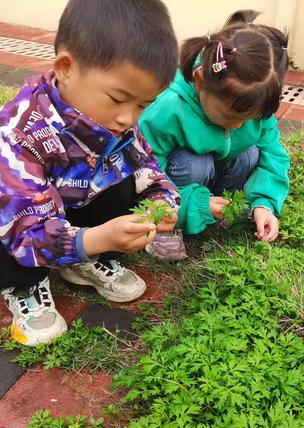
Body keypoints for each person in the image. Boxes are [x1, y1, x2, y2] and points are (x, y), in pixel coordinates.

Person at [0, 0, 180, 346]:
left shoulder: (119, 127)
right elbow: (24, 231)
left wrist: (163, 200)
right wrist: (97, 237)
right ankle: (24, 284)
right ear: (66, 68)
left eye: (143, 105)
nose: (129, 118)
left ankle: (82, 260)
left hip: (69, 214)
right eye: (118, 98)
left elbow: (148, 169)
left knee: (127, 177)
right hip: (21, 226)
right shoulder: (20, 134)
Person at [139, 10, 290, 260]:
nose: (240, 126)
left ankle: (220, 210)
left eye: (249, 118)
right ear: (200, 83)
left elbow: (273, 156)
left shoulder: (254, 107)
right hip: (176, 187)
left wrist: (264, 203)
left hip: (215, 177)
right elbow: (146, 173)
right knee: (194, 162)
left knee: (251, 154)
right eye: (231, 117)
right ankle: (168, 229)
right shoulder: (169, 109)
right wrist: (189, 205)